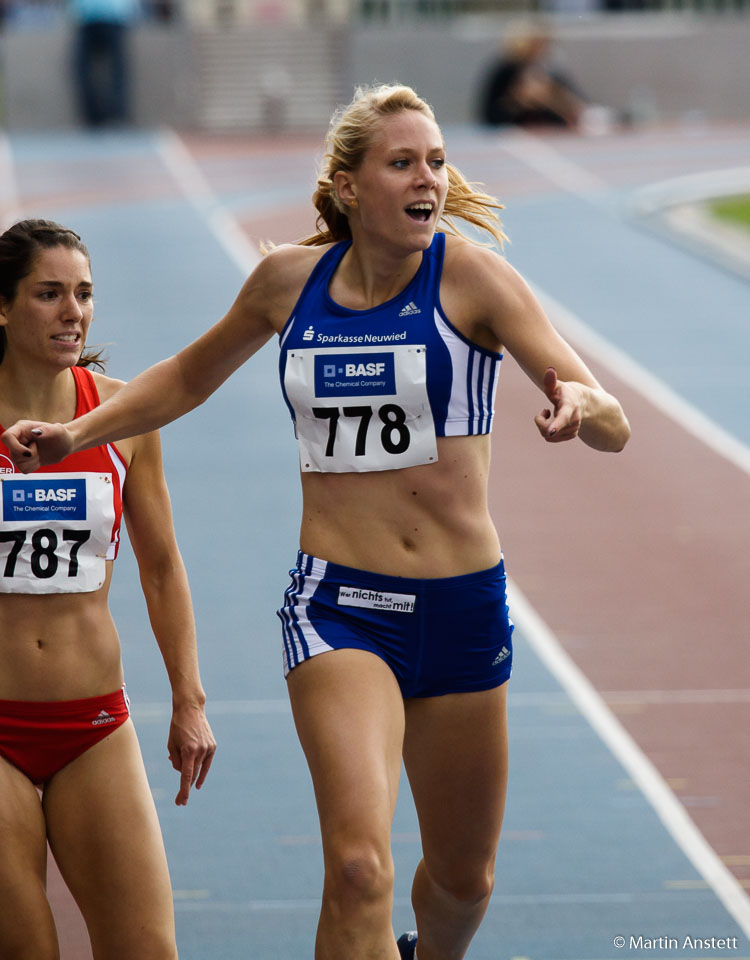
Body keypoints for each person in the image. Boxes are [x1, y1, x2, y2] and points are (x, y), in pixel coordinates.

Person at [2, 87, 630, 960]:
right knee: (361, 869)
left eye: (437, 161)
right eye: (403, 162)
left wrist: (584, 406)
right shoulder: (288, 285)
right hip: (340, 606)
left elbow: (612, 422)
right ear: (348, 186)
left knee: (464, 879)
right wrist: (78, 434)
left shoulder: (474, 279)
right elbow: (184, 377)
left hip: (461, 607)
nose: (429, 179)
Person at [0, 219, 215, 960]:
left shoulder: (122, 417)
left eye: (84, 294)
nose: (74, 313)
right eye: (49, 294)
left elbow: (162, 567)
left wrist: (189, 701)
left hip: (92, 722)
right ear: (3, 307)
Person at [479, 27, 587, 129]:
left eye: (545, 44)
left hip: (546, 133)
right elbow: (489, 116)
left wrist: (555, 99)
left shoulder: (547, 70)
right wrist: (518, 101)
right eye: (537, 44)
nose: (543, 49)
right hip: (509, 132)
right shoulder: (506, 71)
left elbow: (579, 105)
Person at [71, 0, 139, 128]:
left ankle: (117, 115)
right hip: (88, 18)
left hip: (113, 17)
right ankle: (95, 117)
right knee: (81, 69)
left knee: (118, 70)